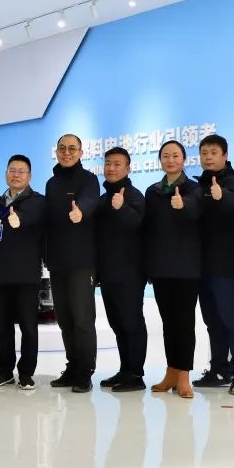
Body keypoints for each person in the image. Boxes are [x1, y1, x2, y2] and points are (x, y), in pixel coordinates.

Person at [144, 141, 202, 399]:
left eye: (175, 155)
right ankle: (171, 371)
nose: (170, 160)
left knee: (184, 323)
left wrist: (183, 205)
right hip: (161, 267)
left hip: (186, 268)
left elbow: (196, 208)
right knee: (168, 323)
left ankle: (184, 376)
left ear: (184, 159)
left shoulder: (193, 188)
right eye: (166, 156)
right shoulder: (153, 191)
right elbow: (147, 230)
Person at [194, 134, 234, 395]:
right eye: (204, 153)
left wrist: (223, 195)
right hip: (202, 266)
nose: (208, 157)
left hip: (226, 265)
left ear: (225, 156)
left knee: (231, 318)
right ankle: (218, 369)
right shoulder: (200, 183)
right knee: (212, 321)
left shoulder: (231, 181)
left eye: (213, 152)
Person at [45, 134, 100, 393]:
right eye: (62, 148)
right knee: (65, 319)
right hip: (57, 262)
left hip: (81, 262)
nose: (67, 153)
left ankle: (85, 372)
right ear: (56, 151)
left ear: (81, 152)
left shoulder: (89, 179)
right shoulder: (51, 183)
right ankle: (73, 366)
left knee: (82, 319)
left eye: (72, 149)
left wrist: (81, 211)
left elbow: (89, 201)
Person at [0, 155, 46, 391]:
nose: (16, 175)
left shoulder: (37, 201)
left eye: (22, 171)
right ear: (6, 174)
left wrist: (18, 219)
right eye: (12, 170)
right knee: (1, 327)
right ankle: (4, 372)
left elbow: (30, 217)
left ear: (29, 176)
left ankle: (26, 373)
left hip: (26, 275)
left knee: (28, 327)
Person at [93, 147, 147, 393]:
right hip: (108, 273)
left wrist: (121, 207)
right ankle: (125, 369)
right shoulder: (103, 198)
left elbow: (136, 223)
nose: (111, 168)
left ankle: (136, 374)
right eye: (108, 163)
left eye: (117, 164)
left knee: (131, 323)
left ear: (128, 168)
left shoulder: (134, 195)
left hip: (130, 273)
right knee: (117, 324)